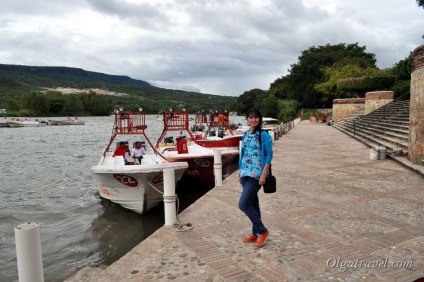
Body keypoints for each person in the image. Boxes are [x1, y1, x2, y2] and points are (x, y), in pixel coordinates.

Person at [238, 108, 273, 247]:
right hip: (245, 173)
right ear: (247, 119)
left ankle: (262, 230)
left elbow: (269, 155)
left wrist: (264, 173)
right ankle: (255, 232)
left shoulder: (263, 135)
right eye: (251, 117)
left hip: (257, 174)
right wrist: (240, 172)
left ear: (259, 119)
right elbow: (243, 154)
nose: (253, 120)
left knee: (243, 204)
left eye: (256, 117)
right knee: (253, 204)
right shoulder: (245, 134)